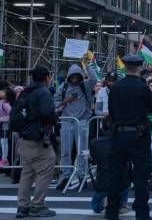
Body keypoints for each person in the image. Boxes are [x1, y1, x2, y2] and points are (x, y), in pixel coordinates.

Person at [105, 55, 152, 220]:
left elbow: (111, 110)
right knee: (140, 177)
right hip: (138, 135)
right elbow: (151, 107)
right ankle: (142, 215)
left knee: (115, 176)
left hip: (118, 134)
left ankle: (111, 213)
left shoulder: (116, 87)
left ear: (125, 67)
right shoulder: (142, 87)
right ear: (139, 67)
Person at [13, 66, 58, 218]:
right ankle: (38, 205)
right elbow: (47, 113)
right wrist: (54, 119)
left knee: (27, 172)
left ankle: (22, 205)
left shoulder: (25, 91)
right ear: (46, 77)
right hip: (38, 138)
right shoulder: (43, 92)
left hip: (24, 138)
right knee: (46, 169)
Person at [54, 56, 97, 190]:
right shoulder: (63, 87)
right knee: (66, 151)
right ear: (69, 76)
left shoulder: (85, 85)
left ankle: (82, 175)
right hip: (67, 121)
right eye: (72, 77)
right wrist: (65, 101)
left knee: (81, 151)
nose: (74, 79)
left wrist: (85, 64)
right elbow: (54, 103)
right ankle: (65, 175)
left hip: (82, 121)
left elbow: (94, 78)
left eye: (76, 76)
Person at [89, 118, 129, 215]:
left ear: (102, 127)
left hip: (103, 182)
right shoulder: (124, 141)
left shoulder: (94, 142)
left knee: (96, 207)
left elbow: (93, 159)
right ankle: (121, 203)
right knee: (125, 183)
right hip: (120, 182)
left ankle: (108, 203)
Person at [0, 81, 15, 166]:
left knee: (3, 142)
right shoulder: (1, 102)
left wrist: (1, 119)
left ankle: (4, 159)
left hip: (5, 126)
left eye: (3, 92)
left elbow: (11, 115)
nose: (0, 92)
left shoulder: (5, 104)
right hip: (2, 125)